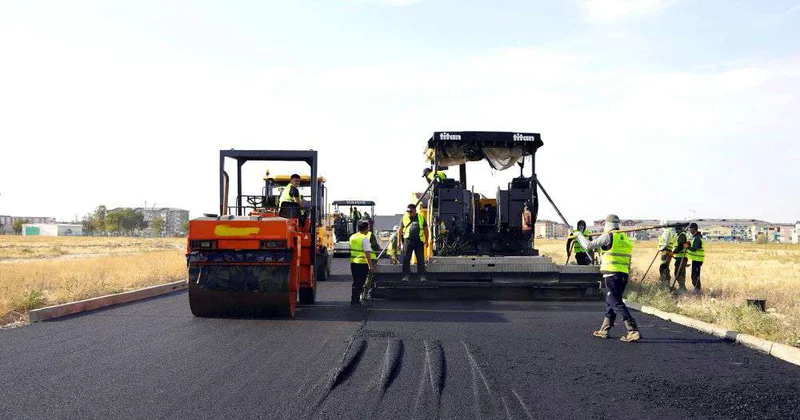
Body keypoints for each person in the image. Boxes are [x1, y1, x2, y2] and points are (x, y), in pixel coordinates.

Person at [575, 214, 641, 342]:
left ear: (608, 224)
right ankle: (604, 330)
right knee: (612, 301)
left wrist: (578, 235)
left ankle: (632, 330)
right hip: (623, 275)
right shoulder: (625, 238)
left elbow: (588, 245)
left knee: (613, 300)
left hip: (612, 275)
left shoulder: (608, 236)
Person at [399, 203, 428, 282]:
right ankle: (405, 276)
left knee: (420, 259)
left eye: (410, 211)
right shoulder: (404, 218)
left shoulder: (421, 218)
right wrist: (399, 242)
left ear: (415, 211)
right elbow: (400, 230)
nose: (409, 212)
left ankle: (422, 276)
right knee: (406, 259)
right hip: (407, 241)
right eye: (407, 211)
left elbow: (426, 229)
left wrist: (427, 240)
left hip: (419, 241)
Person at [349, 220, 374, 306]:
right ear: (366, 229)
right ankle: (356, 301)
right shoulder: (364, 239)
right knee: (360, 282)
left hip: (353, 262)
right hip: (362, 263)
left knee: (355, 282)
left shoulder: (352, 237)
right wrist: (370, 265)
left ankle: (354, 299)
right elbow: (367, 253)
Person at [657, 221, 677, 287]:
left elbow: (666, 242)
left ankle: (664, 283)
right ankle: (666, 283)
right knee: (666, 267)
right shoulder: (672, 231)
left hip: (665, 251)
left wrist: (660, 248)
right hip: (668, 251)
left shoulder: (667, 231)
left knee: (663, 267)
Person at [686, 222, 704, 293]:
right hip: (696, 259)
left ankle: (697, 290)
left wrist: (688, 247)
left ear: (694, 229)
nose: (690, 230)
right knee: (695, 275)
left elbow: (694, 248)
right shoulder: (695, 237)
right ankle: (696, 289)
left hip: (698, 260)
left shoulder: (697, 237)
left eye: (690, 229)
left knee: (695, 275)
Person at [672, 225, 689, 293]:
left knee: (678, 273)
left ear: (680, 229)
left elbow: (680, 246)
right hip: (680, 257)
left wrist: (673, 252)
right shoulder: (681, 235)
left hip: (681, 257)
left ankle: (683, 289)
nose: (676, 231)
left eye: (677, 229)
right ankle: (682, 288)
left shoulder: (682, 235)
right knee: (679, 273)